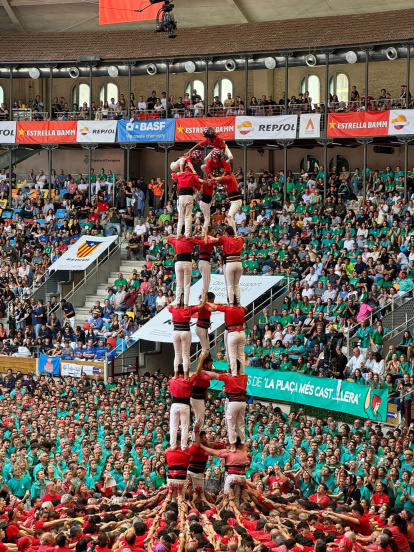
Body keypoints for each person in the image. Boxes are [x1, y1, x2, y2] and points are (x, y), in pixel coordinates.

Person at [203, 359, 248, 449]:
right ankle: (242, 444)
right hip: (243, 402)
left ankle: (233, 445)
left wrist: (204, 371)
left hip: (233, 402)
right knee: (241, 425)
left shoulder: (228, 377)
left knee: (230, 424)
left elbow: (215, 376)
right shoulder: (244, 376)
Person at [168, 358, 208, 450]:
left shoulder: (172, 381)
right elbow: (197, 372)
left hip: (175, 404)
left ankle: (173, 445)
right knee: (185, 426)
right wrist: (200, 361)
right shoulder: (189, 380)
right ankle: (183, 446)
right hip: (185, 404)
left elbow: (174, 377)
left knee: (173, 426)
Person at [198, 434, 247, 504]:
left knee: (226, 497)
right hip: (242, 477)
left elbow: (213, 452)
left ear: (232, 443)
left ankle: (228, 512)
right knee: (236, 498)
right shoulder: (244, 452)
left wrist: (201, 446)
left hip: (232, 477)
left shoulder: (230, 453)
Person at [167, 291, 207, 378]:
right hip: (185, 331)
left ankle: (176, 374)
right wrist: (204, 295)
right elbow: (202, 305)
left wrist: (169, 299)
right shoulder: (189, 309)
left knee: (177, 354)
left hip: (176, 331)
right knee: (185, 354)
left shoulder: (174, 308)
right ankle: (185, 375)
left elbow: (168, 306)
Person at [207, 225, 244, 305]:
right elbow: (241, 238)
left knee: (230, 285)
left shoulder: (225, 239)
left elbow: (213, 239)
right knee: (236, 284)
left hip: (230, 262)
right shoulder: (240, 239)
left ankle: (231, 303)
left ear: (226, 233)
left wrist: (207, 235)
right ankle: (238, 303)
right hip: (239, 262)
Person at [208, 300, 247, 376]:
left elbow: (214, 307)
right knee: (241, 354)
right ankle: (242, 372)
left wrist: (206, 302)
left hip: (232, 333)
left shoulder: (227, 308)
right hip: (242, 332)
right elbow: (246, 308)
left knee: (232, 355)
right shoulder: (241, 308)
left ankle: (234, 373)